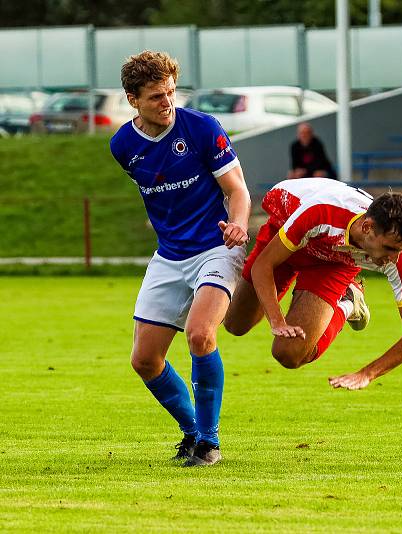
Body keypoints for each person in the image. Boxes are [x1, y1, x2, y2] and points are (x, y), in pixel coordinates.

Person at [109, 50, 251, 466]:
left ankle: (209, 443)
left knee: (200, 334)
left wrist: (238, 225)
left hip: (217, 246)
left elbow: (238, 190)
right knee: (144, 360)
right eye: (156, 96)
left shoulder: (203, 128)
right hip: (170, 256)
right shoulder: (123, 146)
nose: (167, 103)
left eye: (171, 92)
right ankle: (191, 433)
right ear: (133, 99)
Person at [224, 178, 402, 390]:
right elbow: (262, 266)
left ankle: (349, 301)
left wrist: (366, 374)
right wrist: (277, 321)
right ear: (367, 227)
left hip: (333, 263)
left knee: (289, 354)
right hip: (285, 235)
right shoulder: (323, 212)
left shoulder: (399, 251)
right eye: (389, 249)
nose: (395, 259)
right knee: (235, 325)